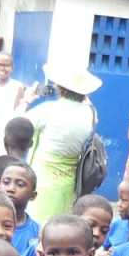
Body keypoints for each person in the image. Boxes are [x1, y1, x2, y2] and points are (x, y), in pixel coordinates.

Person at [27, 62, 101, 223]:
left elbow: (19, 124)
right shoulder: (90, 113)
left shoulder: (48, 110)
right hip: (70, 182)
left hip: (42, 179)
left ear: (61, 88)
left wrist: (26, 100)